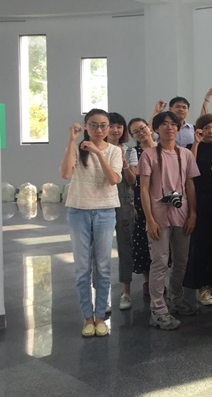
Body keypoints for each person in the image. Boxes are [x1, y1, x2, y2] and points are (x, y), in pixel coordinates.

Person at [60, 109, 122, 337]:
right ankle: (87, 317)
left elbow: (113, 179)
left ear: (109, 127)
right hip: (78, 211)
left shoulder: (114, 150)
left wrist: (97, 152)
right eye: (93, 125)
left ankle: (100, 317)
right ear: (86, 126)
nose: (99, 130)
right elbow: (65, 174)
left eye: (103, 125)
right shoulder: (77, 148)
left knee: (103, 267)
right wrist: (71, 141)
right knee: (82, 267)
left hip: (105, 212)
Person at [138, 111, 200, 330]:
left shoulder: (186, 154)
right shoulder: (148, 155)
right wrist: (149, 219)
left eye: (173, 124)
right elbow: (144, 189)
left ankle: (176, 298)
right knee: (160, 262)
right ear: (156, 129)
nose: (169, 127)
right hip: (158, 216)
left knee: (181, 260)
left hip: (182, 215)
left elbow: (190, 185)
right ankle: (158, 310)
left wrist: (193, 214)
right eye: (164, 124)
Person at [184, 114, 212, 306]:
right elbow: (189, 169)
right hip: (199, 199)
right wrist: (196, 143)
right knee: (200, 243)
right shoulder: (190, 147)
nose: (211, 131)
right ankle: (201, 287)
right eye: (207, 127)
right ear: (199, 129)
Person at [107, 112, 137, 310]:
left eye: (119, 126)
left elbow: (133, 182)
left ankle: (126, 291)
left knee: (126, 247)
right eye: (111, 126)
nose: (115, 130)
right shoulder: (96, 150)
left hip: (125, 203)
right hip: (101, 203)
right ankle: (101, 295)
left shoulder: (129, 151)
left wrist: (125, 165)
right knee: (100, 251)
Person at [127, 117, 156, 296]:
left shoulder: (163, 148)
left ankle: (159, 280)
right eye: (135, 132)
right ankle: (147, 281)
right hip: (142, 199)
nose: (140, 133)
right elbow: (133, 179)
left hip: (162, 200)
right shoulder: (134, 152)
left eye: (142, 128)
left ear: (149, 128)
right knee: (144, 241)